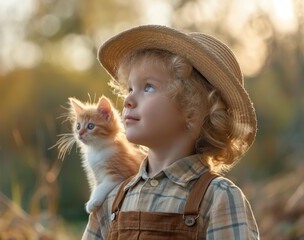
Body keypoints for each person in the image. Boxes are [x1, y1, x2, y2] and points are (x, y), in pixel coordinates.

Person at [82, 25, 259, 239]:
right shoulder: (111, 198)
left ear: (193, 109)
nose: (127, 100)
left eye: (148, 87)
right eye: (129, 89)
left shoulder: (218, 197)